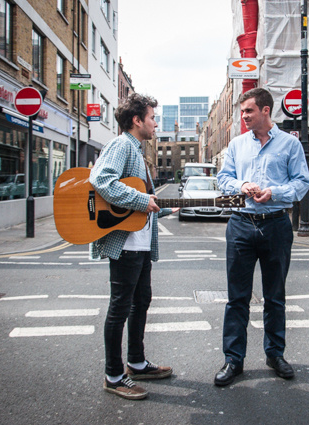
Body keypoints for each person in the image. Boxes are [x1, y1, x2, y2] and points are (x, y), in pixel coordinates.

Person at [214, 88, 309, 386]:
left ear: (265, 111)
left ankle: (275, 354)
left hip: (276, 226)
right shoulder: (236, 144)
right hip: (241, 224)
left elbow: (302, 182)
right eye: (242, 111)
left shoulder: (289, 145)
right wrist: (241, 184)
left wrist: (275, 193)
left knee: (275, 296)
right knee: (237, 298)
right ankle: (233, 360)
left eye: (248, 111)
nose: (243, 116)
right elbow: (223, 178)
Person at [89, 93, 173, 400]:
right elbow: (102, 180)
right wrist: (141, 200)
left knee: (142, 301)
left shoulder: (137, 152)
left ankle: (136, 362)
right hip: (125, 243)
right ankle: (113, 375)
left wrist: (161, 207)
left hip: (138, 242)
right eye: (152, 117)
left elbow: (142, 200)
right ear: (136, 120)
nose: (155, 123)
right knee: (120, 307)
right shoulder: (122, 144)